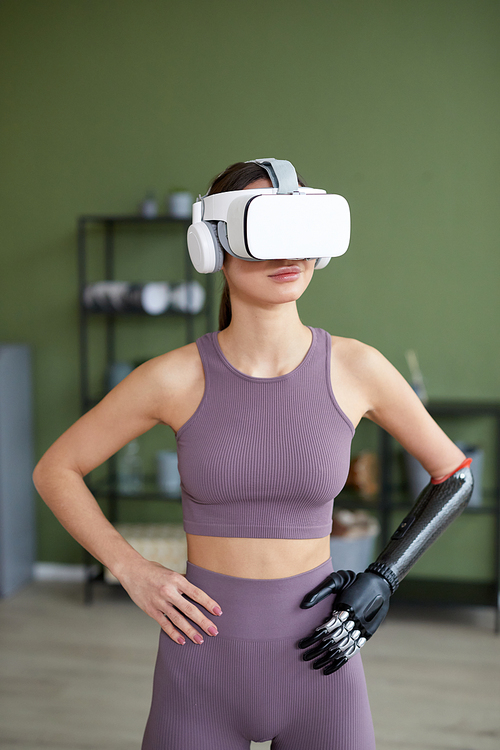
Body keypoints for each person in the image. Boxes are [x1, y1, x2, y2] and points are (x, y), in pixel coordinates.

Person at [33, 159, 472, 750]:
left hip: (325, 665)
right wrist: (133, 570)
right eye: (262, 231)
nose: (285, 252)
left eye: (296, 230)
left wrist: (385, 576)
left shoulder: (357, 368)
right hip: (200, 670)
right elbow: (56, 468)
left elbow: (455, 475)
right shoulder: (173, 378)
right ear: (212, 245)